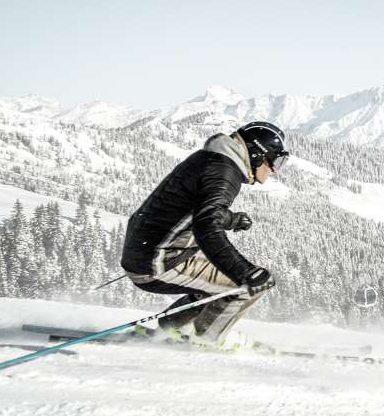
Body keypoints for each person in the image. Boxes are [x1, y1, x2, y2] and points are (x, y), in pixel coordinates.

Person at [121, 121, 288, 342]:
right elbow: (206, 226)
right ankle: (208, 339)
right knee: (247, 286)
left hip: (146, 252)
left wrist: (230, 219)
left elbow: (193, 207)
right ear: (257, 153)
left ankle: (172, 327)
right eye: (276, 160)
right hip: (157, 261)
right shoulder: (223, 172)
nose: (275, 169)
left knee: (219, 281)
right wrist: (244, 272)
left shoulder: (211, 161)